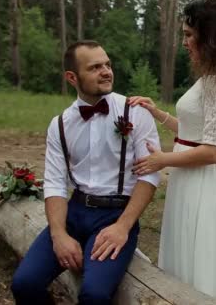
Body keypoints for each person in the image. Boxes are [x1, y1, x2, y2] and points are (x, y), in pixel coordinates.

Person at [128, 0, 216, 305]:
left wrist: (162, 159)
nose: (185, 42)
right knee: (186, 248)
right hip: (191, 179)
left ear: (211, 36)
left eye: (189, 35)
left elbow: (213, 151)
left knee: (202, 254)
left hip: (206, 183)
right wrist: (158, 113)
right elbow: (194, 133)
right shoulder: (211, 79)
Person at [11, 40, 161, 304]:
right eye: (95, 67)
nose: (106, 71)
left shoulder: (136, 112)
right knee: (24, 284)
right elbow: (56, 184)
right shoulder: (59, 124)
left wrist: (123, 227)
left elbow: (149, 176)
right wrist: (58, 234)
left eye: (107, 64)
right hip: (74, 212)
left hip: (116, 215)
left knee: (94, 295)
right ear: (72, 77)